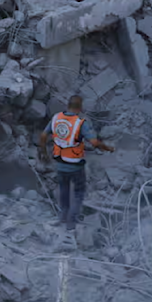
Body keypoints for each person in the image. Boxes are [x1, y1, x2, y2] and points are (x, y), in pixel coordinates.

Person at [38, 95, 115, 230]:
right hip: (75, 165)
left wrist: (43, 152)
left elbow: (44, 135)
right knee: (79, 192)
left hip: (60, 163)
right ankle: (71, 222)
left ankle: (63, 216)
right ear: (80, 108)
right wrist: (108, 148)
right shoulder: (80, 123)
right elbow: (94, 142)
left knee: (64, 190)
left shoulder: (56, 118)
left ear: (68, 105)